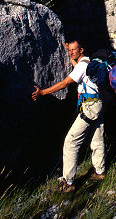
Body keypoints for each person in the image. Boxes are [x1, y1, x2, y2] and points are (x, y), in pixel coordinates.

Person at [32, 40, 105, 192]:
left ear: (81, 50)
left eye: (74, 50)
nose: (71, 53)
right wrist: (69, 51)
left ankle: (68, 183)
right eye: (70, 50)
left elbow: (65, 83)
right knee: (97, 138)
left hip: (89, 108)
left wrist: (42, 93)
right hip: (98, 104)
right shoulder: (87, 62)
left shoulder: (83, 66)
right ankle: (100, 172)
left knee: (71, 142)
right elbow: (76, 66)